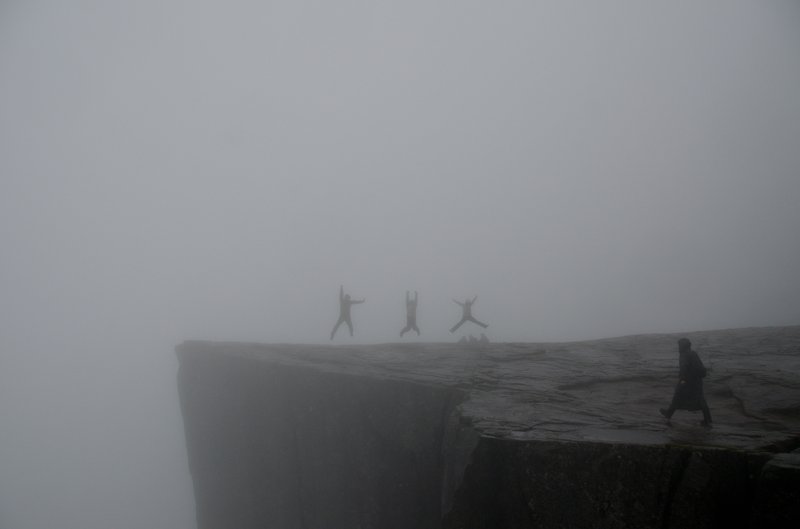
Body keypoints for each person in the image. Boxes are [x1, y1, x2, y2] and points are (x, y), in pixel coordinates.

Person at [660, 338, 712, 427]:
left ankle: (668, 414)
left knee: (677, 396)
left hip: (688, 381)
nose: (678, 347)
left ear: (683, 346)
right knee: (700, 400)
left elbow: (687, 368)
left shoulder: (687, 354)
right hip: (695, 381)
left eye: (679, 345)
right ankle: (708, 420)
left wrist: (683, 380)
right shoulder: (690, 353)